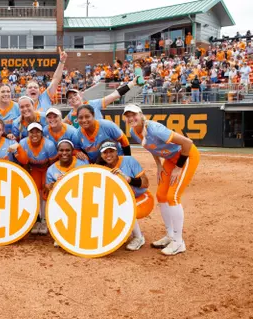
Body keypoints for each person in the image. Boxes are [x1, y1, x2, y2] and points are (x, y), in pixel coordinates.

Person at [122, 104, 200, 256]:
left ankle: (178, 242)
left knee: (173, 196)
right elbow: (152, 148)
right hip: (170, 159)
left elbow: (187, 143)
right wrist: (158, 165)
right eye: (128, 116)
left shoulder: (154, 128)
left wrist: (179, 167)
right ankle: (170, 236)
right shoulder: (134, 131)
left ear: (141, 114)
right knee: (161, 196)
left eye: (134, 115)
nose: (131, 118)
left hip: (186, 156)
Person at [97, 140, 154, 251]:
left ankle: (138, 237)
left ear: (117, 151)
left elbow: (145, 183)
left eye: (111, 151)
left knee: (125, 207)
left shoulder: (129, 160)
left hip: (142, 198)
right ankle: (122, 233)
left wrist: (128, 179)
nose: (108, 155)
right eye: (105, 152)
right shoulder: (102, 168)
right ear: (101, 155)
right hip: (125, 199)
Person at [11, 122, 57, 235]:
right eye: (32, 132)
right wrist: (28, 177)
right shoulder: (23, 143)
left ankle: (45, 220)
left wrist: (50, 179)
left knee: (46, 192)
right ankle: (36, 219)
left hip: (47, 168)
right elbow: (25, 162)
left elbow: (52, 164)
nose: (34, 134)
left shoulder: (49, 145)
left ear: (42, 133)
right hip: (34, 169)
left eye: (37, 132)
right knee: (34, 191)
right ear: (28, 133)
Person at [45, 139, 89, 246]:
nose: (64, 153)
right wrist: (51, 186)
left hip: (80, 198)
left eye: (67, 150)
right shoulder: (51, 169)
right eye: (61, 150)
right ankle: (60, 234)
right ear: (57, 152)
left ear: (72, 151)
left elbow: (89, 184)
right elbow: (48, 189)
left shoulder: (82, 164)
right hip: (63, 201)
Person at [64, 77, 138, 128]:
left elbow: (115, 95)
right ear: (69, 102)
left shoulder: (93, 104)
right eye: (70, 98)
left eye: (75, 95)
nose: (73, 98)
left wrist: (132, 83)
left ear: (81, 95)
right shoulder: (71, 115)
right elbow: (60, 124)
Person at [26, 47, 66, 112]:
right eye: (30, 87)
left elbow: (56, 79)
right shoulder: (21, 105)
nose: (33, 89)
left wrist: (62, 61)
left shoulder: (45, 97)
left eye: (35, 87)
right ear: (26, 92)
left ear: (39, 91)